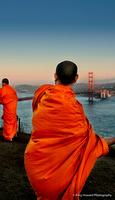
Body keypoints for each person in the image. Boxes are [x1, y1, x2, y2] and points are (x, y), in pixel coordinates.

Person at [24, 61, 115, 200]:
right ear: (76, 78)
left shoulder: (41, 95)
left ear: (55, 76)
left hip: (35, 167)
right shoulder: (75, 111)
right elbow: (92, 145)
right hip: (59, 180)